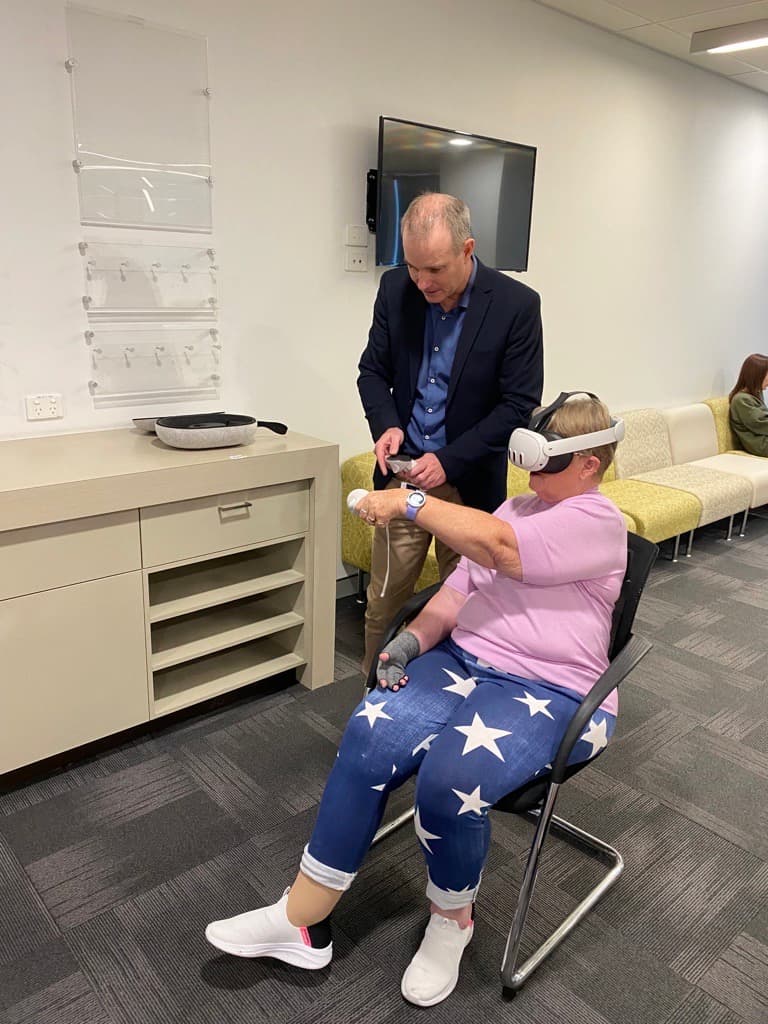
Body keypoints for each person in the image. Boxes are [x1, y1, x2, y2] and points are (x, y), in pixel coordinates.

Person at [206, 395, 627, 1008]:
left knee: (448, 780)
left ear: (589, 465)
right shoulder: (519, 505)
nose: (529, 474)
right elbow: (460, 590)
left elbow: (504, 549)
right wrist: (411, 640)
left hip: (551, 687)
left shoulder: (597, 520)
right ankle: (302, 919)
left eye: (545, 462)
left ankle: (451, 920)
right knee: (369, 734)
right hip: (466, 662)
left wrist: (408, 501)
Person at [357, 192, 543, 674]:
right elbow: (372, 373)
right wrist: (388, 424)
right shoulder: (396, 289)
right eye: (414, 267)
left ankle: (448, 699)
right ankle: (372, 704)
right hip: (404, 478)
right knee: (383, 604)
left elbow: (518, 405)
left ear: (467, 249)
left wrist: (451, 459)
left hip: (468, 483)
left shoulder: (515, 305)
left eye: (434, 269)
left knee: (464, 601)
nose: (422, 282)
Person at [729, 353, 768, 456]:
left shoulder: (755, 394)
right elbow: (761, 424)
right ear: (757, 375)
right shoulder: (741, 400)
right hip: (760, 445)